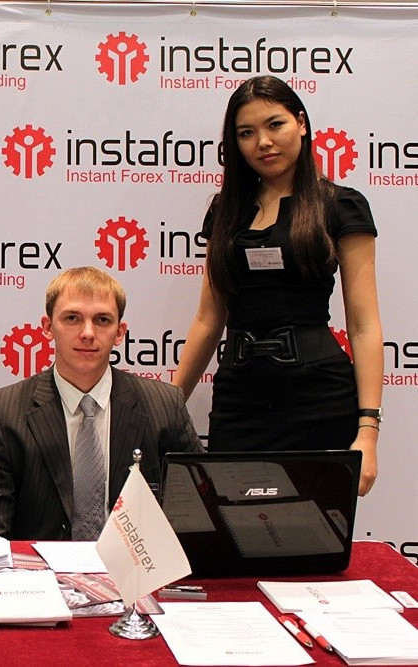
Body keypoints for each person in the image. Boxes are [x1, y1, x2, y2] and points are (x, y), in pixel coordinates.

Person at [171, 76, 382, 497]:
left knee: (315, 528)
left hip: (319, 396)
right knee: (229, 522)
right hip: (239, 397)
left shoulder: (341, 205)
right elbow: (208, 320)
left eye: (275, 125)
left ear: (301, 123)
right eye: (246, 133)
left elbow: (363, 326)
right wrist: (168, 407)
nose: (263, 142)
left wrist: (368, 431)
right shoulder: (225, 211)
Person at [0, 267, 202, 540]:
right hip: (38, 567)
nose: (88, 333)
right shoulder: (5, 412)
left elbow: (199, 520)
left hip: (136, 566)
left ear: (119, 332)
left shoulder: (165, 405)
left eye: (102, 320)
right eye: (72, 318)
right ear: (48, 328)